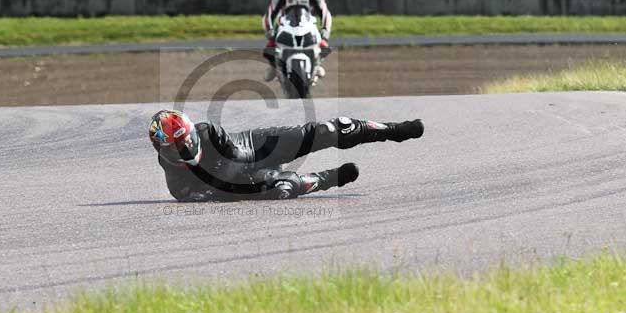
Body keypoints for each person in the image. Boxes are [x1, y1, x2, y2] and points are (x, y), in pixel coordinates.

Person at [149, 109, 424, 202]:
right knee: (282, 187)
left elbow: (240, 156)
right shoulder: (178, 183)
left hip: (256, 147)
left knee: (328, 130)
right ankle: (329, 178)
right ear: (162, 151)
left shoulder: (208, 132)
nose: (183, 149)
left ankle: (395, 129)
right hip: (244, 179)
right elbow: (224, 193)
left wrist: (218, 180)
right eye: (174, 148)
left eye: (185, 141)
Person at [262, 0, 333, 82]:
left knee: (324, 46)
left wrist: (325, 31)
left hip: (308, 24)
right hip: (285, 25)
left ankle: (317, 64)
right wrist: (270, 31)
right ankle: (274, 66)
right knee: (269, 47)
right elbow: (269, 13)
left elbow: (325, 12)